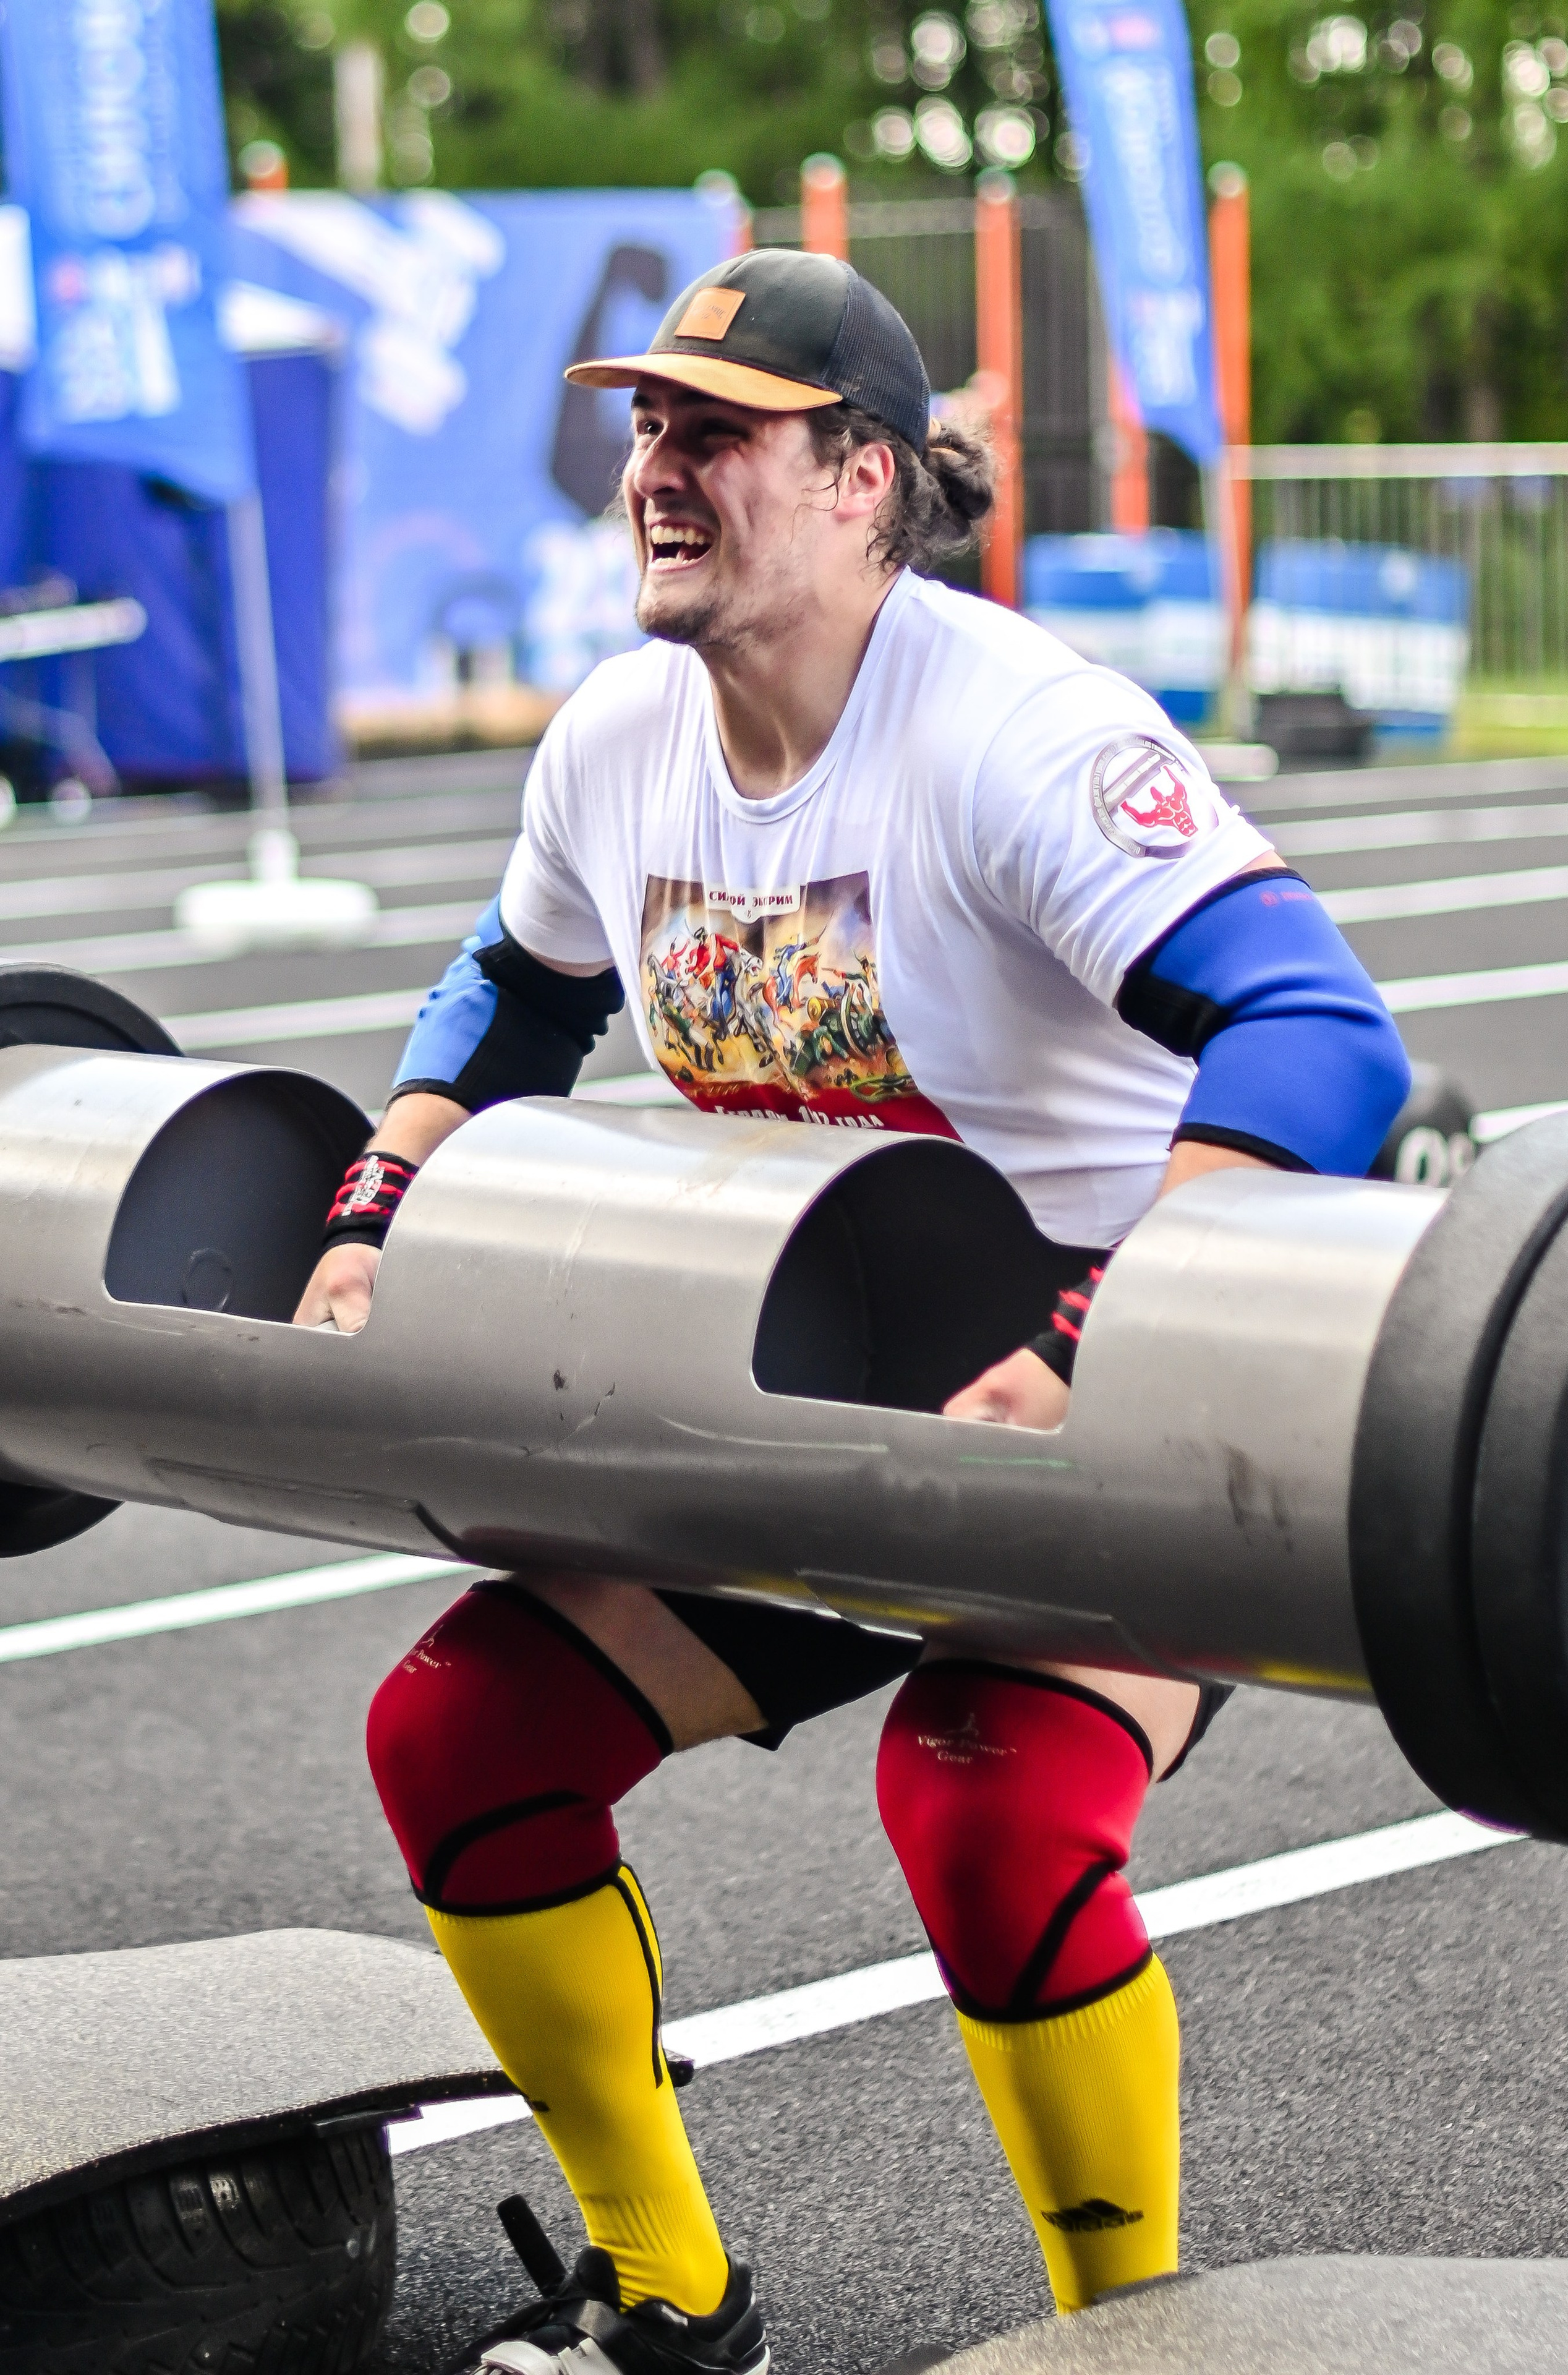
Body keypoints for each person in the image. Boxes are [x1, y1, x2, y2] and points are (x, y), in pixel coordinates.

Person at [295, 249, 1410, 2375]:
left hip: (1108, 1415)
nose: (656, 468)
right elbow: (509, 999)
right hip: (800, 1413)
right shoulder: (620, 740)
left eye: (715, 431)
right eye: (646, 427)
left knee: (982, 1793)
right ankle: (670, 2298)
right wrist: (374, 1202)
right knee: (462, 1733)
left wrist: (1089, 1341)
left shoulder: (1015, 730)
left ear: (863, 479)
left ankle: (1127, 2338)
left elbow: (1322, 1037)